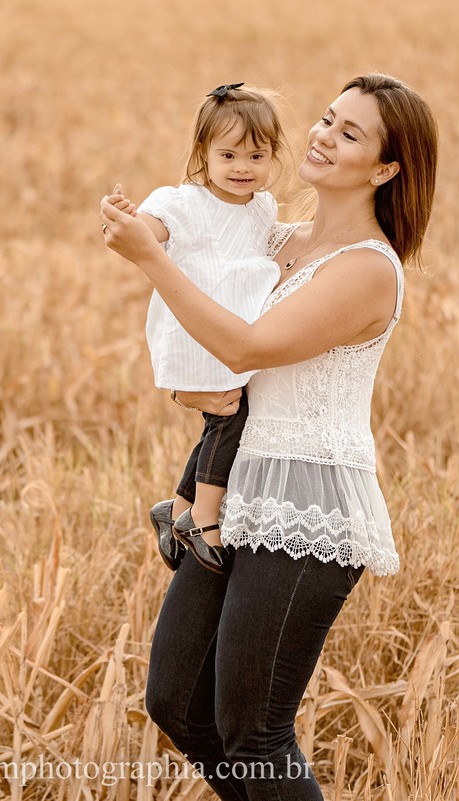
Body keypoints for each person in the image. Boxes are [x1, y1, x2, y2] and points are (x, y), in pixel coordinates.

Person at [100, 73, 438, 800]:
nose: (322, 134)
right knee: (177, 703)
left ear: (384, 168)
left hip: (307, 504)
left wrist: (149, 260)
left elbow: (250, 345)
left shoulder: (369, 271)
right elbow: (202, 250)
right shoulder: (274, 236)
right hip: (238, 487)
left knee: (254, 727)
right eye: (325, 118)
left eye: (350, 133)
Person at [125, 83, 289, 576]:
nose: (243, 167)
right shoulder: (185, 201)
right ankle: (203, 516)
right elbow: (148, 230)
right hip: (197, 330)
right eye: (229, 154)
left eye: (256, 155)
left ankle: (176, 507)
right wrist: (127, 220)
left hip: (235, 329)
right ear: (203, 153)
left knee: (227, 416)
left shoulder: (262, 207)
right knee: (230, 417)